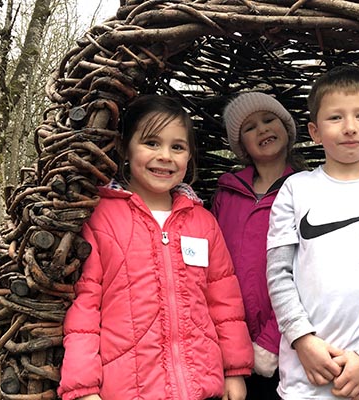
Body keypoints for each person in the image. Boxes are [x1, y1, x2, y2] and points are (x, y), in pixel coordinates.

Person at [58, 95, 254, 400]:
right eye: (151, 143)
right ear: (124, 148)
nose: (165, 156)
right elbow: (85, 308)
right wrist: (84, 387)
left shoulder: (202, 222)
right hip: (128, 390)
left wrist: (234, 371)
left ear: (189, 156)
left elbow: (223, 300)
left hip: (202, 386)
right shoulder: (100, 219)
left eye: (177, 147)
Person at [266, 66, 359, 400]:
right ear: (315, 131)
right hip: (305, 371)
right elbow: (278, 274)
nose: (350, 128)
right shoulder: (295, 190)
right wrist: (303, 341)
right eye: (335, 118)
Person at [211, 92, 306, 398]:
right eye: (250, 127)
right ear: (241, 145)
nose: (262, 129)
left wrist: (269, 341)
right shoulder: (227, 194)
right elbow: (212, 268)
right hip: (229, 342)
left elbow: (309, 275)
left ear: (287, 129)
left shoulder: (307, 190)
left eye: (268, 120)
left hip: (288, 342)